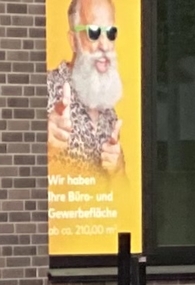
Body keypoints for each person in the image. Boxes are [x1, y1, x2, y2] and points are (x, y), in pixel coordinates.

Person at [47, 0, 125, 174]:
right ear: (73, 41)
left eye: (111, 32)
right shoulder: (43, 90)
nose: (104, 45)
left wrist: (118, 168)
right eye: (94, 32)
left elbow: (122, 192)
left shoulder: (108, 110)